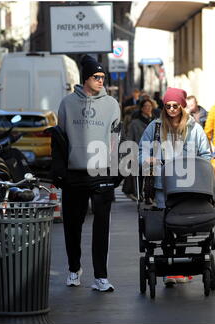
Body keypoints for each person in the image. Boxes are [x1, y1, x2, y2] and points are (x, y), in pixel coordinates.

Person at [57, 55, 121, 291]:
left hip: (101, 171)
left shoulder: (112, 105)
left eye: (103, 77)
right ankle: (74, 269)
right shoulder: (67, 103)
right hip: (74, 173)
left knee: (102, 225)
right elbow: (61, 139)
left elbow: (116, 139)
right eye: (97, 77)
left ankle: (101, 277)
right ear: (86, 78)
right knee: (72, 225)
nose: (101, 80)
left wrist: (116, 172)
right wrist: (60, 171)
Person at [139, 87, 212, 286]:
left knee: (182, 226)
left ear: (182, 105)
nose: (171, 109)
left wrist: (196, 165)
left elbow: (206, 154)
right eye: (168, 106)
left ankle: (179, 267)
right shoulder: (154, 127)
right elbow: (140, 152)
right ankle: (170, 267)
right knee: (165, 227)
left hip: (188, 186)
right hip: (163, 185)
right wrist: (148, 160)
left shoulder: (193, 128)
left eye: (175, 106)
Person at [123, 98, 156, 202]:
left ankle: (150, 195)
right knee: (140, 175)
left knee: (152, 175)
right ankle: (140, 194)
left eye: (150, 106)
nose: (148, 108)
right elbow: (129, 138)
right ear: (141, 108)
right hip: (139, 152)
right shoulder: (135, 123)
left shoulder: (156, 122)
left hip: (154, 153)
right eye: (146, 106)